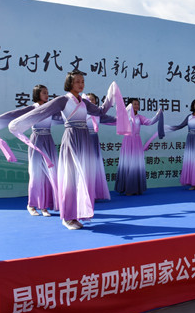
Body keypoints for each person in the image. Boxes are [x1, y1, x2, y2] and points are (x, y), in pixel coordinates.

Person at [9, 71, 129, 230]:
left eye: (82, 81)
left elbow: (100, 111)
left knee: (83, 177)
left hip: (84, 140)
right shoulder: (63, 100)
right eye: (77, 81)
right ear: (70, 83)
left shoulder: (84, 102)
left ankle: (77, 214)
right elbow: (41, 112)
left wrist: (111, 97)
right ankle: (67, 217)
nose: (81, 84)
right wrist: (17, 124)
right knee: (70, 179)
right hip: (72, 139)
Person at [0, 84, 61, 217]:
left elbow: (65, 115)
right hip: (37, 141)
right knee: (36, 174)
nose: (47, 95)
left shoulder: (50, 109)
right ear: (37, 94)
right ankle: (31, 205)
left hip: (48, 140)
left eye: (47, 92)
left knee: (50, 173)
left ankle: (44, 206)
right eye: (43, 93)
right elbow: (12, 115)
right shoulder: (32, 109)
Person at [115, 98, 164, 196]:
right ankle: (127, 188)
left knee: (136, 164)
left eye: (138, 104)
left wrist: (157, 115)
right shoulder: (125, 116)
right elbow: (116, 122)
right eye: (135, 104)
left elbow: (149, 122)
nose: (137, 106)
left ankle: (135, 188)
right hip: (127, 141)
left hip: (137, 141)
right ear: (129, 105)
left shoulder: (139, 117)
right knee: (127, 163)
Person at [85, 92, 117, 201]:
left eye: (92, 99)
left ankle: (94, 193)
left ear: (96, 102)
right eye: (88, 99)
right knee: (84, 167)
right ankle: (84, 194)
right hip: (83, 141)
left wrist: (125, 117)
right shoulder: (81, 112)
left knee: (94, 167)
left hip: (94, 141)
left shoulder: (98, 114)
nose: (90, 101)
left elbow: (113, 119)